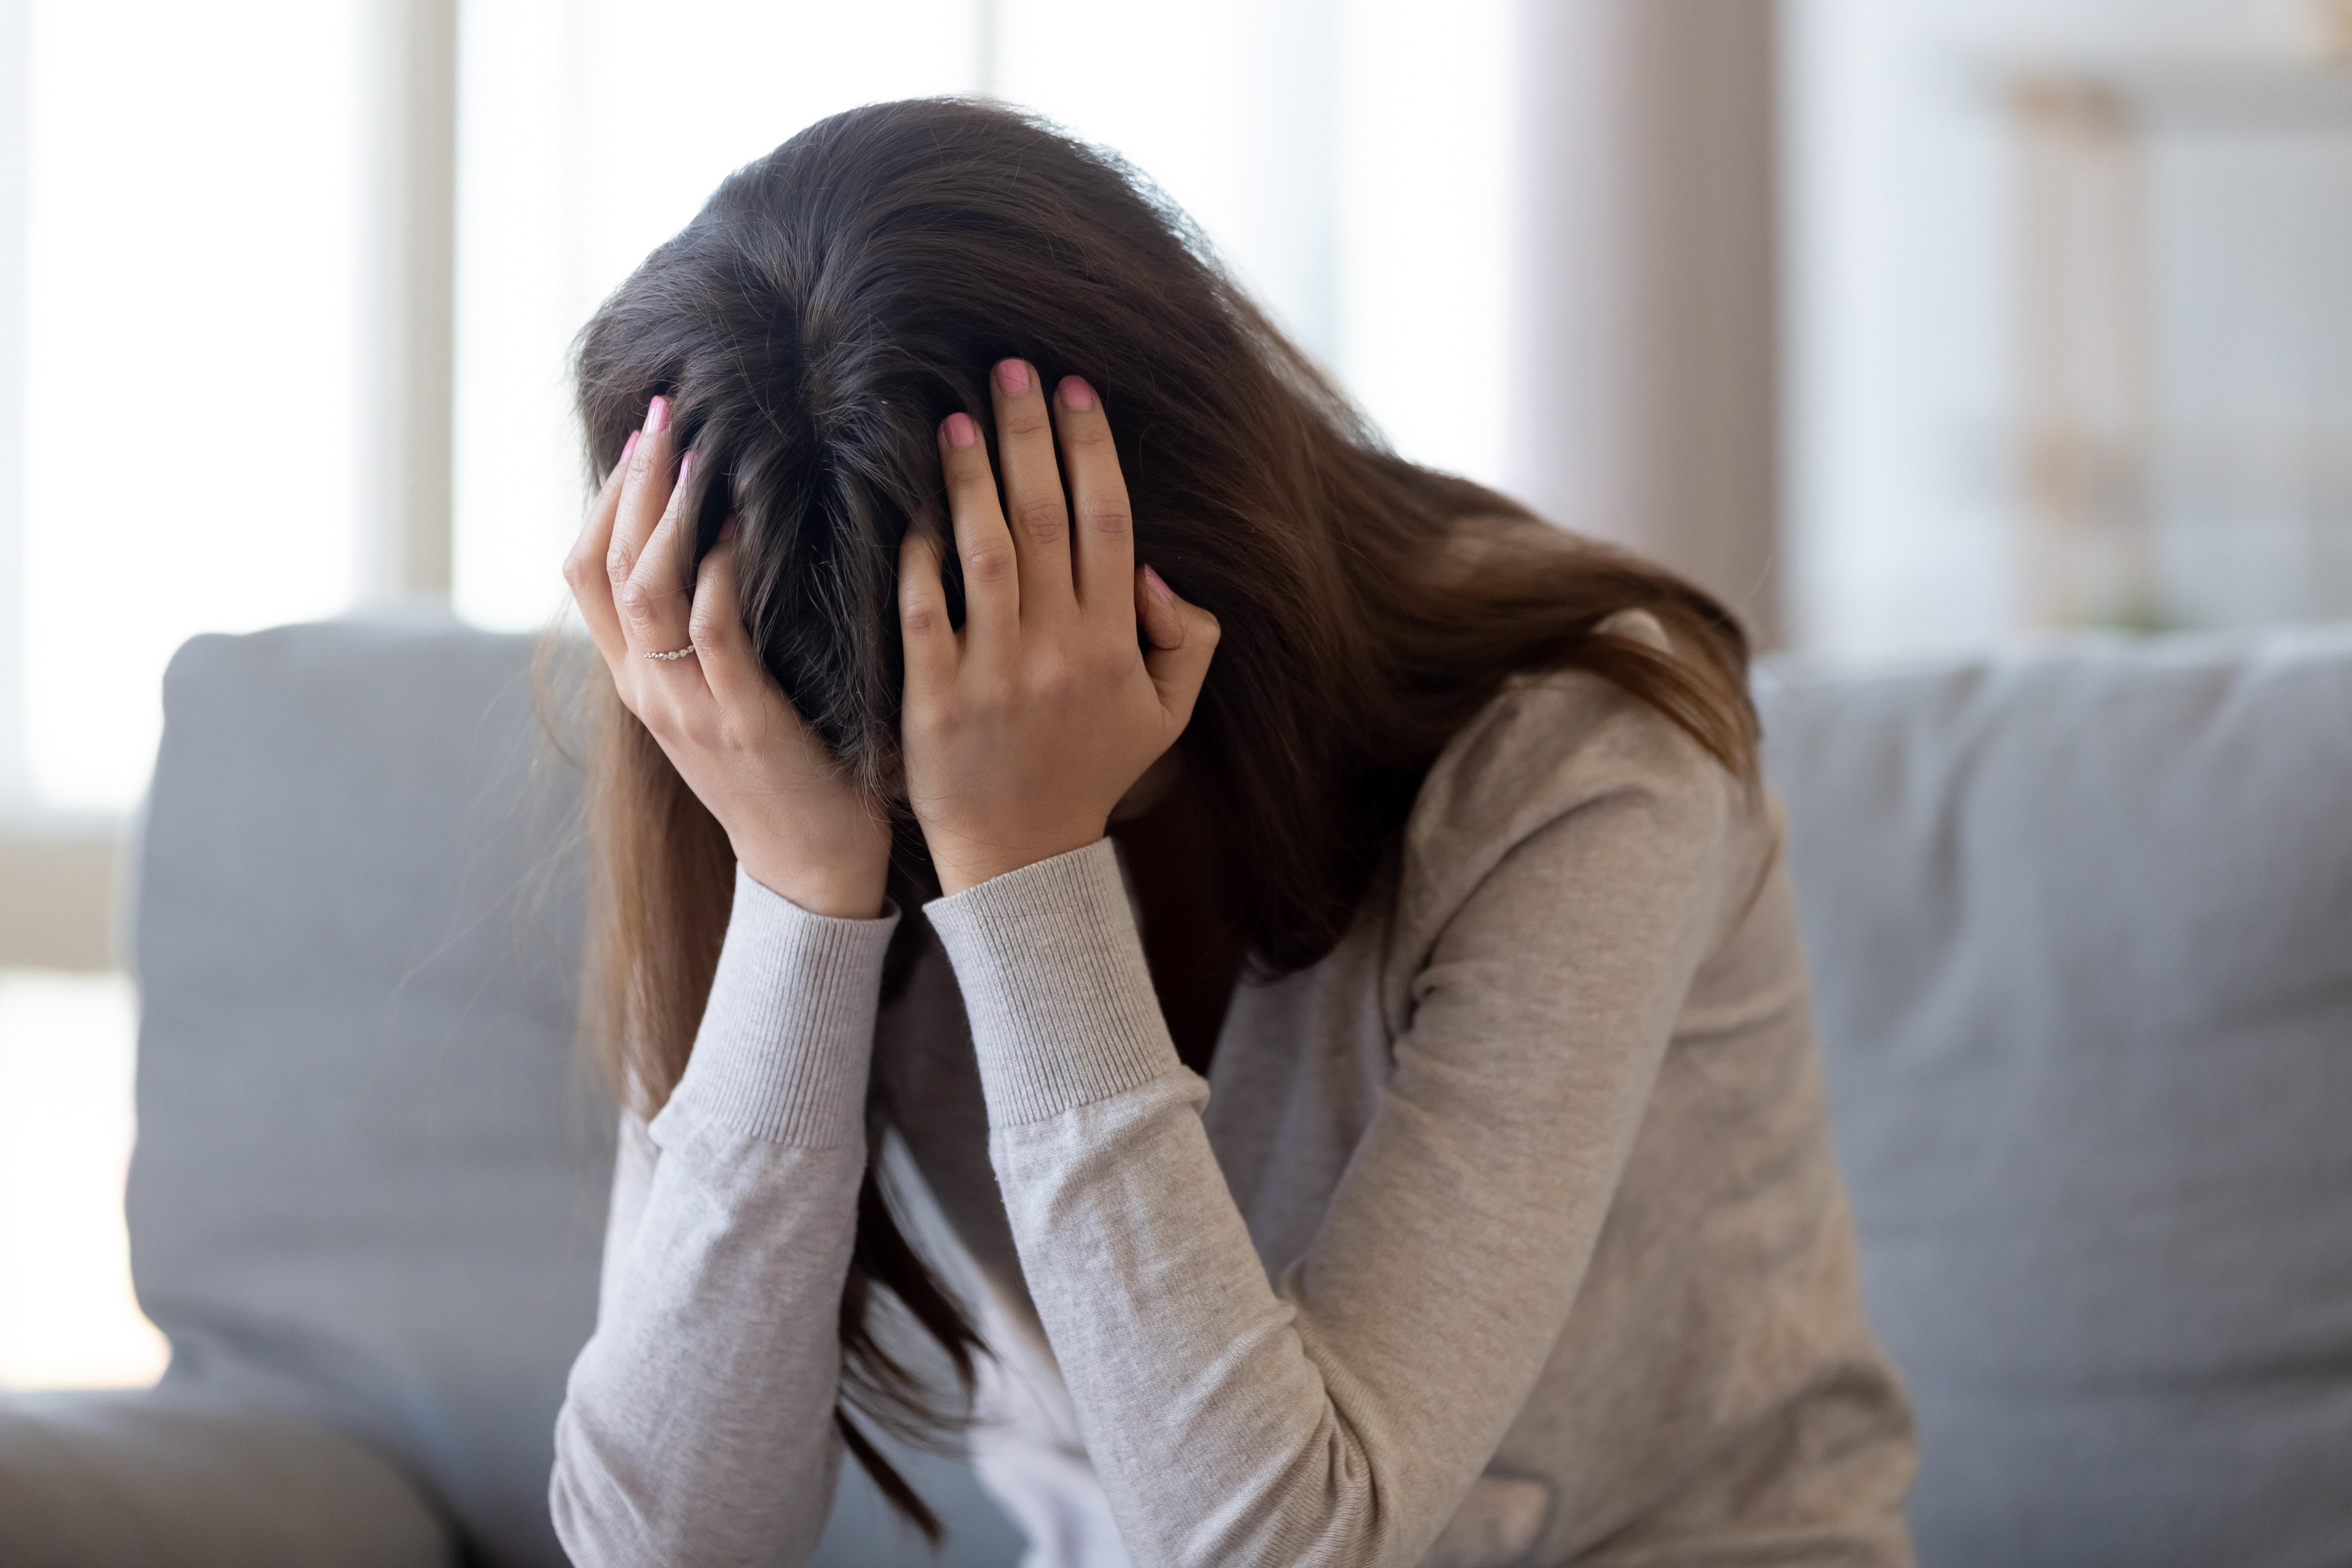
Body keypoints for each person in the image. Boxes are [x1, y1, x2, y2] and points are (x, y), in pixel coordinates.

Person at [547, 97, 1915, 1568]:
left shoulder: (1584, 756)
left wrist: (1028, 879)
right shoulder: (781, 774)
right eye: (892, 785)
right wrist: (800, 898)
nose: (918, 819)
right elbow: (664, 1549)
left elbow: (1287, 1548)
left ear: (1194, 558)